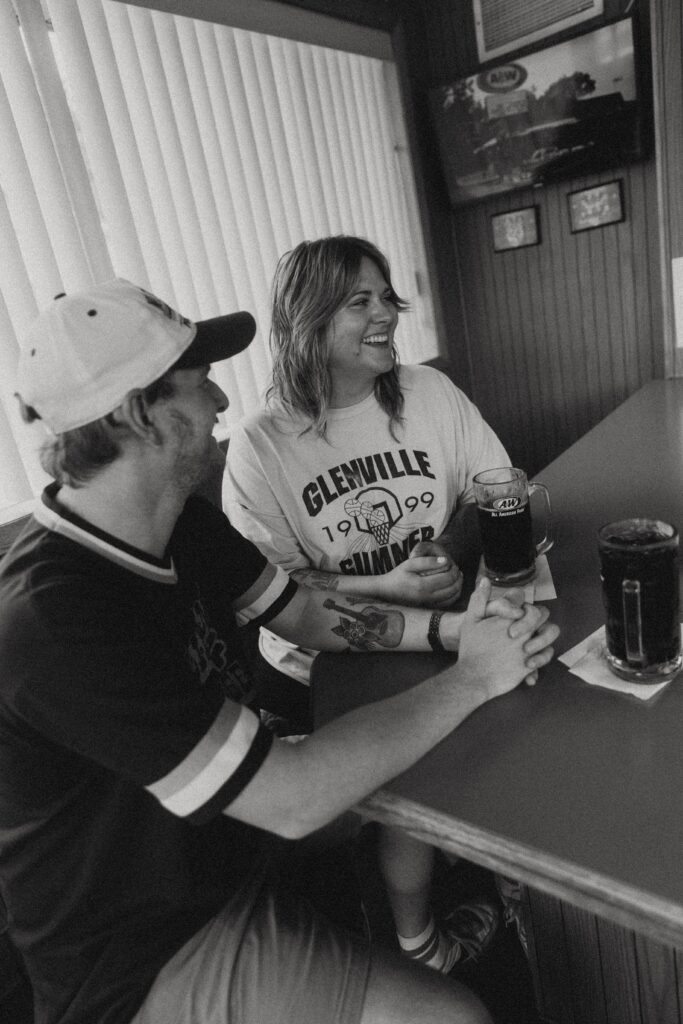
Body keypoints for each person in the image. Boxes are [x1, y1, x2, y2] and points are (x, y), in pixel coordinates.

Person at [0, 278, 558, 1024]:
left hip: (222, 837)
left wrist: (459, 632)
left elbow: (300, 613)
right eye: (199, 386)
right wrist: (471, 678)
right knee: (452, 1019)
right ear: (141, 413)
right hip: (146, 948)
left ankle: (421, 934)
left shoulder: (172, 522)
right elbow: (293, 800)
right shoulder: (53, 620)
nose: (222, 405)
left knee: (418, 767)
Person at [223, 236, 515, 973]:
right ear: (307, 321)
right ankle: (420, 944)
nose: (387, 312)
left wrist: (449, 548)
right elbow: (275, 594)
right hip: (319, 669)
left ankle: (510, 882)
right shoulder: (260, 449)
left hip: (439, 635)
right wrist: (388, 591)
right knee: (411, 765)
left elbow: (497, 488)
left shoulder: (429, 394)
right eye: (361, 300)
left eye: (388, 296)